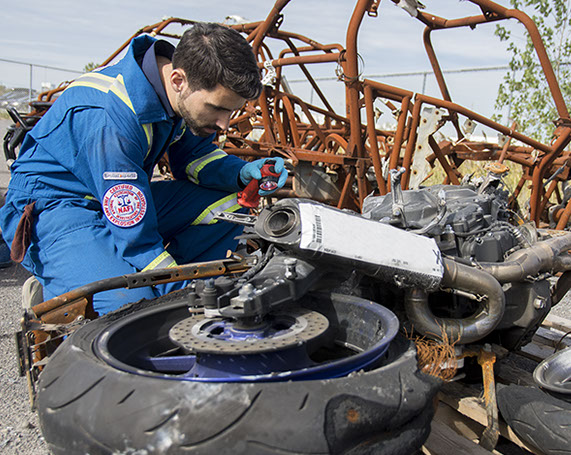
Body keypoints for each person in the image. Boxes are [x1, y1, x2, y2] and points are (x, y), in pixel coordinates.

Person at [0, 23, 287, 314]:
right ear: (178, 80)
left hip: (113, 198)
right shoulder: (112, 115)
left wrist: (241, 173)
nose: (224, 123)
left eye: (231, 111)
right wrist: (179, 293)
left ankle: (119, 270)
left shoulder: (174, 93)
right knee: (129, 309)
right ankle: (66, 283)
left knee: (231, 205)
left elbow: (194, 156)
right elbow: (135, 233)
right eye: (218, 108)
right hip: (56, 209)